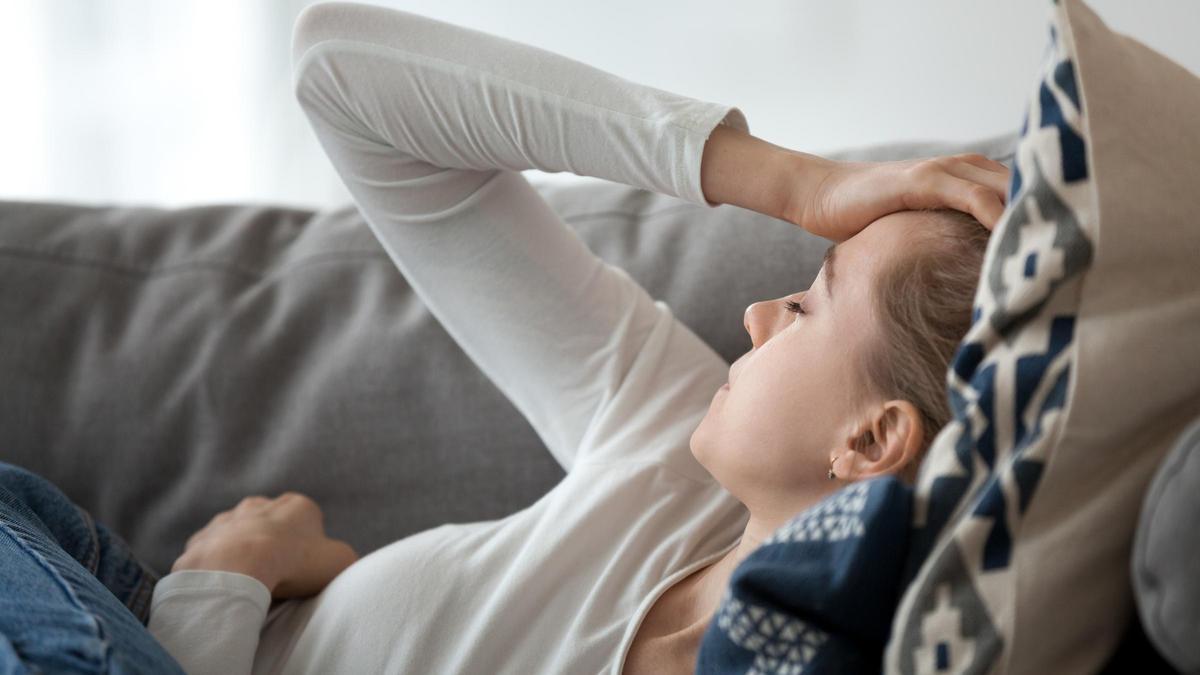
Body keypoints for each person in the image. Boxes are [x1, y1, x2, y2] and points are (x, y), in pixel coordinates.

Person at [0, 2, 1009, 674]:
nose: (754, 314)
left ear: (870, 439)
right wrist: (798, 183)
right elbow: (342, 74)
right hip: (82, 591)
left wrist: (222, 585)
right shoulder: (662, 447)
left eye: (807, 306)